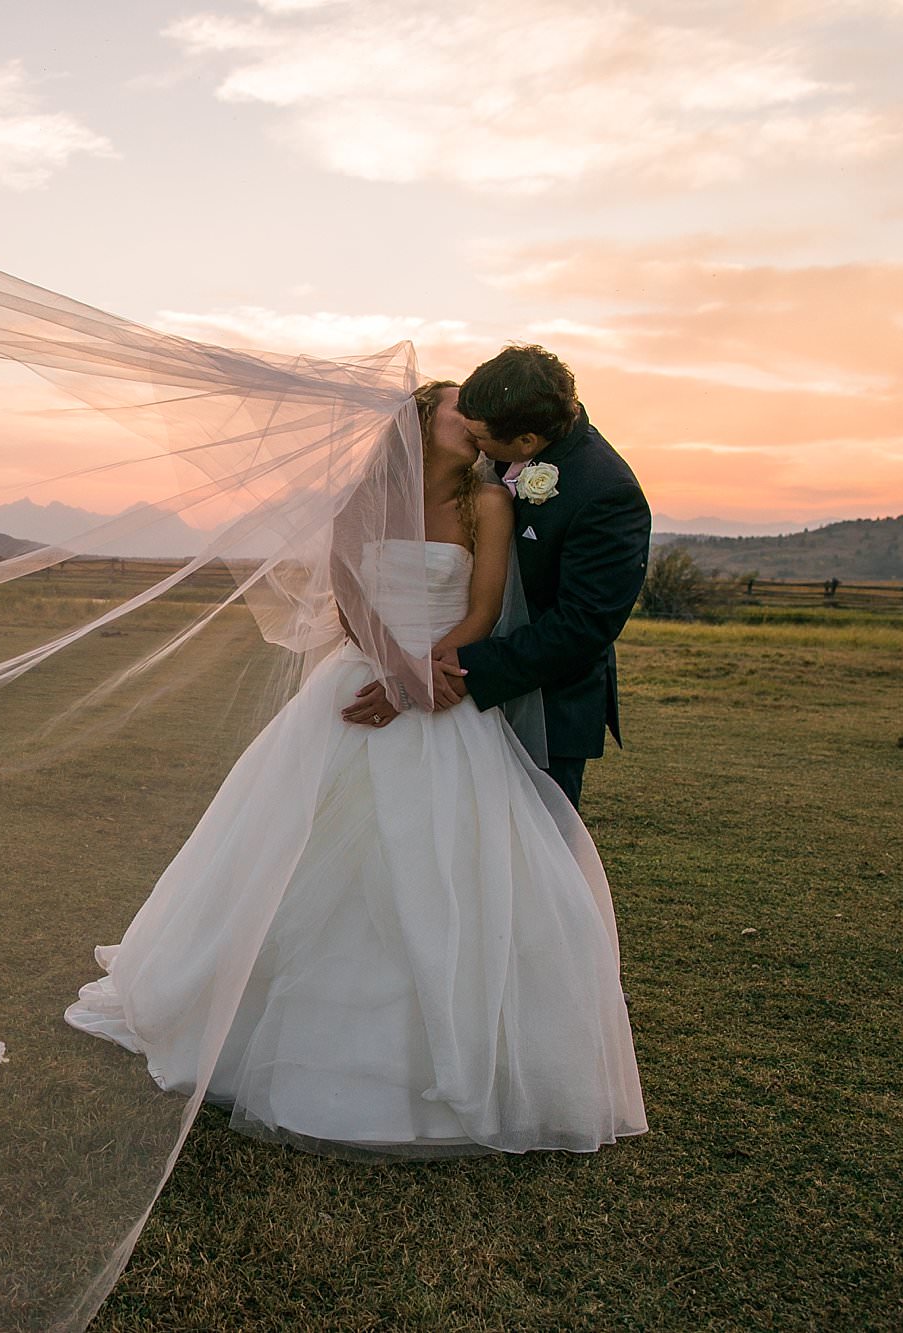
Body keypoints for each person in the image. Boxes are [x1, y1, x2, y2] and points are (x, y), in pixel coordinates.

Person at [66, 380, 646, 1158]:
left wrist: (428, 679)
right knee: (299, 854)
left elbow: (481, 606)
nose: (472, 421)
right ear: (415, 426)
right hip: (362, 679)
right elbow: (347, 589)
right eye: (455, 409)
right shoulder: (363, 500)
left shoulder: (494, 503)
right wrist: (394, 667)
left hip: (446, 689)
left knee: (457, 867)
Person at [436, 345, 652, 812]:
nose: (472, 445)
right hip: (467, 693)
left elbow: (584, 625)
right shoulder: (494, 441)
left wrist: (468, 669)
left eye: (479, 437)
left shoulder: (607, 493)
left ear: (528, 442)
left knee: (541, 846)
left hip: (549, 701)